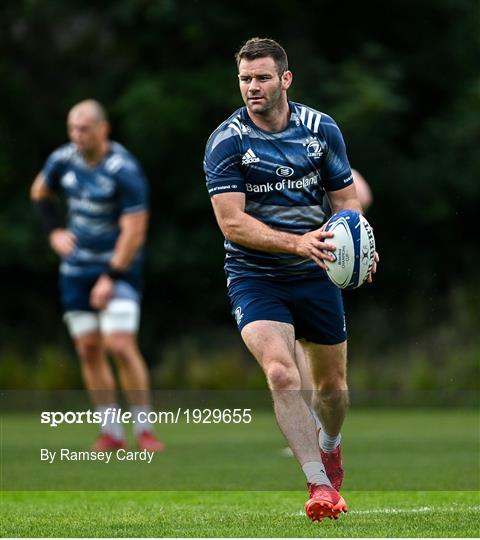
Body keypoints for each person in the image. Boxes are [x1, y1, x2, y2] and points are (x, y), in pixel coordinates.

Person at [203, 38, 378, 521]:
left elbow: (345, 201)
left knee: (333, 391)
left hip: (316, 272)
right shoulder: (227, 141)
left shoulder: (321, 130)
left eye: (261, 77)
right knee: (281, 372)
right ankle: (319, 485)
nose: (252, 87)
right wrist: (296, 242)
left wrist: (360, 244)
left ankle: (332, 443)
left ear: (285, 79)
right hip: (254, 275)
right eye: (244, 79)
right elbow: (232, 223)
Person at [31, 99, 164, 452]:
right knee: (88, 348)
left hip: (119, 268)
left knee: (119, 345)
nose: (77, 136)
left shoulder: (124, 169)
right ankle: (112, 433)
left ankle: (145, 429)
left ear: (103, 129)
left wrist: (110, 276)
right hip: (75, 270)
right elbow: (39, 192)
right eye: (72, 129)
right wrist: (53, 232)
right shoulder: (62, 159)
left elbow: (135, 231)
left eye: (84, 129)